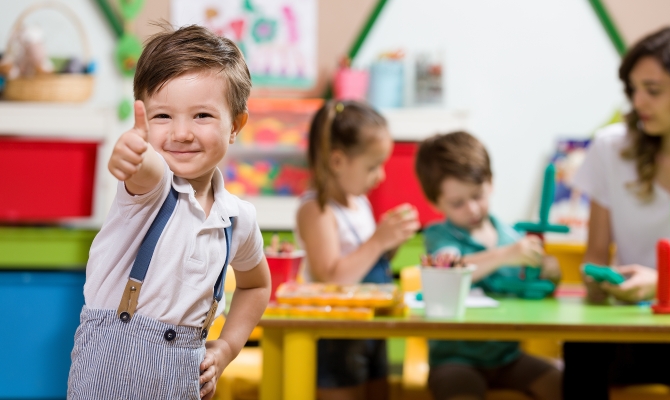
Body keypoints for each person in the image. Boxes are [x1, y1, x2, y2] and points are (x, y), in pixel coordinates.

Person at [67, 25, 270, 400]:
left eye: (202, 116)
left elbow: (256, 285)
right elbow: (145, 167)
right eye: (162, 117)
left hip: (184, 379)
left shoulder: (238, 218)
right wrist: (132, 151)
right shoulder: (153, 188)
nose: (181, 133)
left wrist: (226, 348)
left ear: (236, 125)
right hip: (108, 376)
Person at [563, 26, 670, 399]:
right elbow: (595, 255)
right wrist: (599, 282)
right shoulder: (611, 149)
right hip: (633, 323)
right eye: (633, 89)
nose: (639, 101)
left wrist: (662, 285)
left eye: (653, 90)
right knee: (581, 349)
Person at [415, 131, 562, 400]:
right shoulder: (440, 236)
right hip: (454, 360)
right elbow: (449, 269)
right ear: (435, 202)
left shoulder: (510, 236)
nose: (472, 208)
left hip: (507, 357)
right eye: (458, 203)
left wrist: (550, 274)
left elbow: (535, 291)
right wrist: (504, 255)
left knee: (562, 385)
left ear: (490, 183)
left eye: (477, 195)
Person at [295, 100, 420, 400]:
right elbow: (330, 278)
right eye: (373, 166)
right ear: (338, 161)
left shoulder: (359, 203)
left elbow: (366, 262)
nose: (381, 176)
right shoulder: (317, 209)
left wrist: (391, 243)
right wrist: (377, 241)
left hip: (371, 327)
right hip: (339, 333)